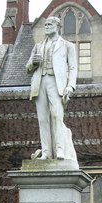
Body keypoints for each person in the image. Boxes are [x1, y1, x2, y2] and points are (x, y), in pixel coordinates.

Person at [26, 16, 78, 161]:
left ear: (57, 26)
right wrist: (33, 63)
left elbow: (73, 68)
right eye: (46, 25)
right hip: (40, 82)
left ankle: (59, 149)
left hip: (56, 83)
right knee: (43, 119)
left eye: (50, 24)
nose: (47, 27)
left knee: (56, 116)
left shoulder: (67, 46)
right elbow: (28, 68)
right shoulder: (38, 45)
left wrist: (70, 86)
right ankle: (46, 152)